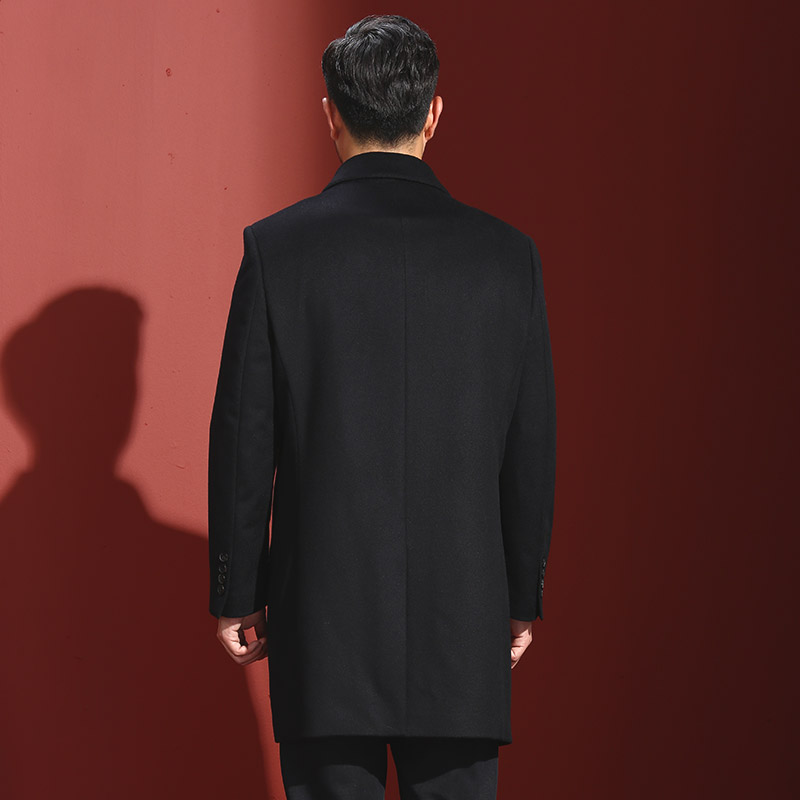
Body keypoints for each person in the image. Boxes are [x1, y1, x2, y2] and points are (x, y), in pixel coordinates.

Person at [207, 14, 556, 800]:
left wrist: (236, 591)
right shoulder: (508, 258)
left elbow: (244, 436)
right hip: (463, 624)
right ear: (434, 113)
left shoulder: (276, 250)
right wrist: (519, 596)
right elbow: (530, 443)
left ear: (329, 114)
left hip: (323, 623)